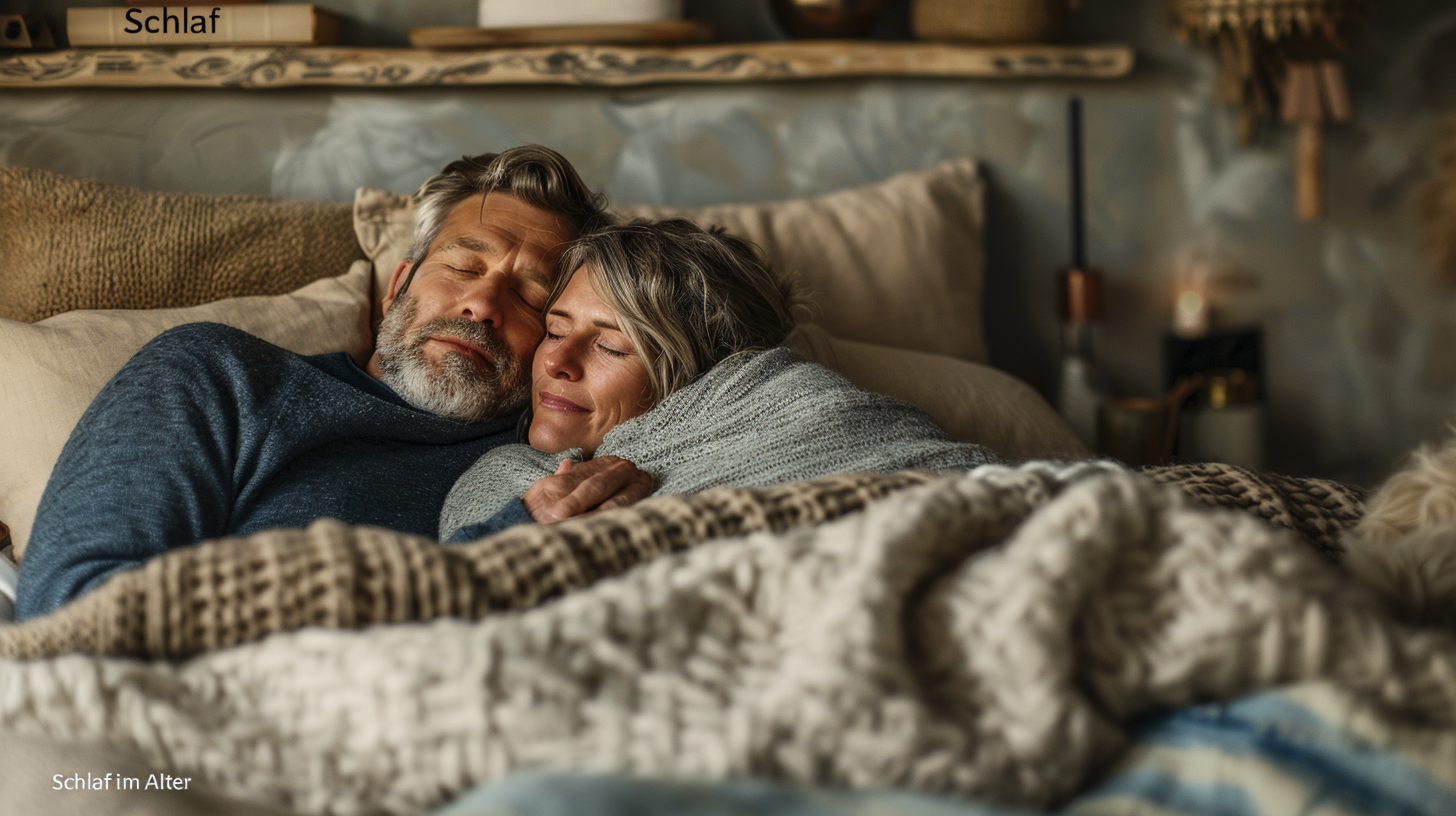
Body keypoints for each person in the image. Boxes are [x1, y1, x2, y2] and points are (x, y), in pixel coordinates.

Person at [15, 145, 652, 620]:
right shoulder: (216, 375)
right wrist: (506, 545)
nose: (482, 304)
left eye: (529, 295)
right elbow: (73, 613)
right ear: (398, 286)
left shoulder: (561, 457)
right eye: (463, 266)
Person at [439, 218, 1002, 543]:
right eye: (556, 329)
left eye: (612, 344)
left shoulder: (790, 407)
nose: (558, 362)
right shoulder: (505, 481)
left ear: (698, 377)